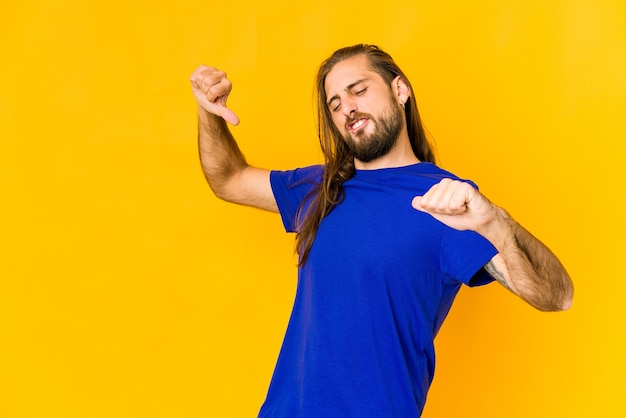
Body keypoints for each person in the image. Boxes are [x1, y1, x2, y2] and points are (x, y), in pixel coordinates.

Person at [189, 44, 573, 417]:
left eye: (359, 90)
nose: (348, 108)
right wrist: (209, 115)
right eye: (335, 104)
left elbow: (556, 296)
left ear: (400, 89)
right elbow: (230, 179)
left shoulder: (445, 201)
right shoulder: (321, 188)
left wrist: (496, 222)